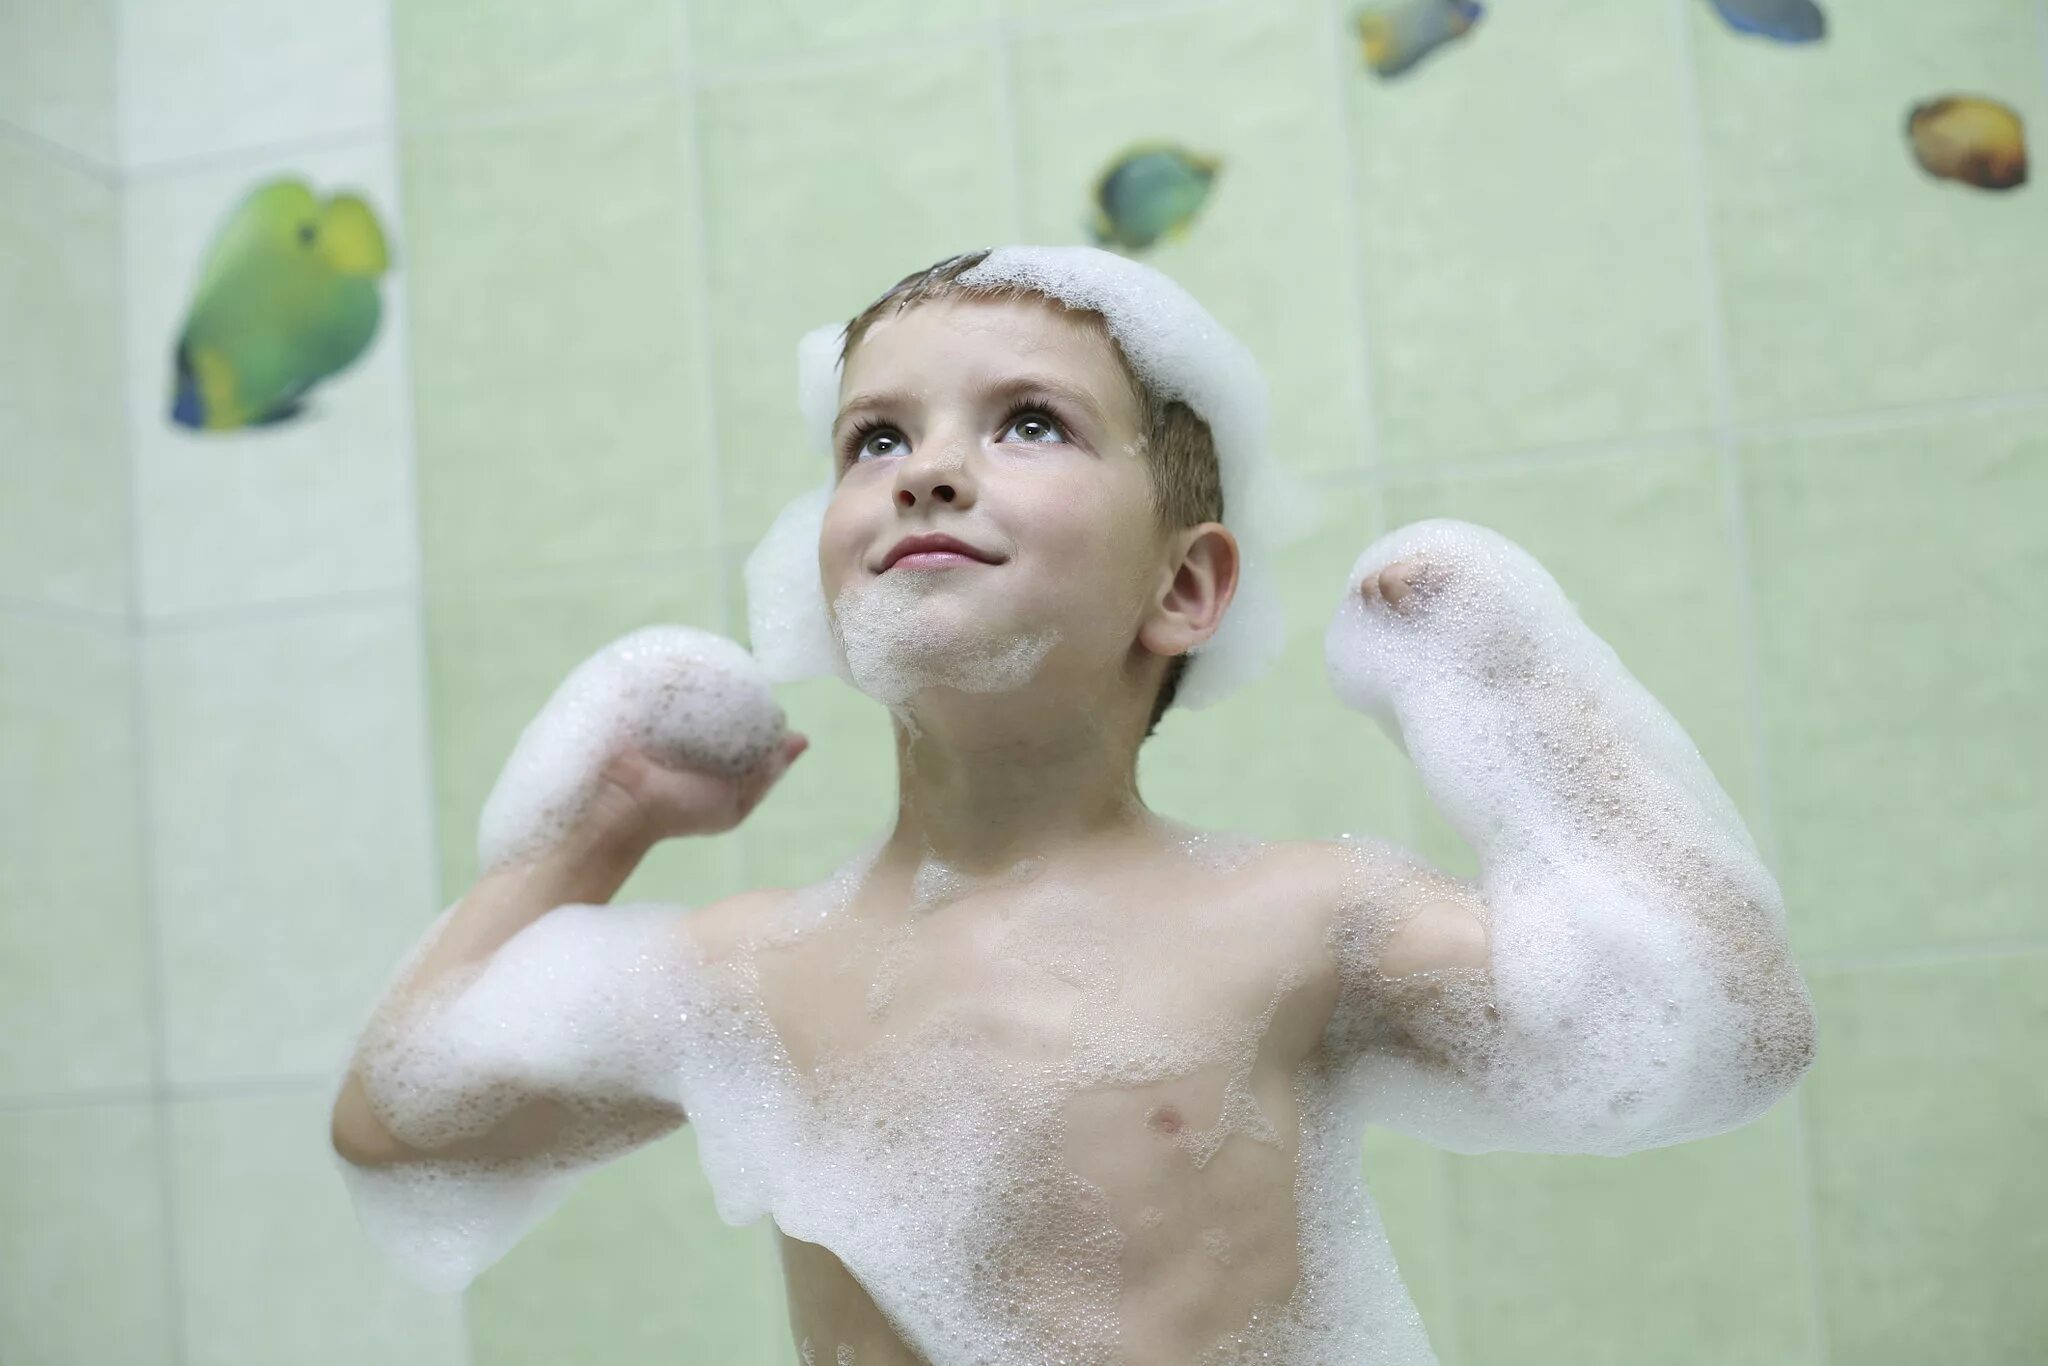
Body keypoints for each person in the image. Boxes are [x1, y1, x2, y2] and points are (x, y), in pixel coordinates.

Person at [329, 247, 1818, 1365]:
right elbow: (397, 1120)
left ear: (1185, 588)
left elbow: (1721, 1017)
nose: (930, 475)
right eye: (877, 438)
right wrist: (602, 827)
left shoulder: (1298, 921)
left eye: (1027, 424)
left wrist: (1508, 681)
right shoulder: (749, 970)